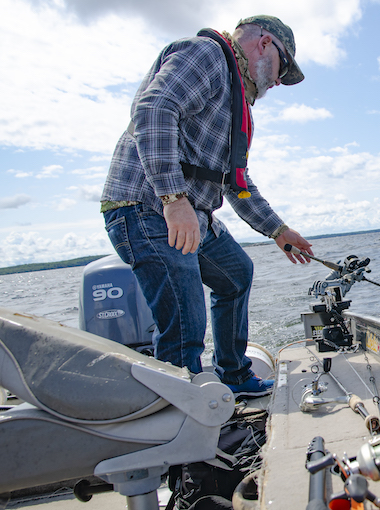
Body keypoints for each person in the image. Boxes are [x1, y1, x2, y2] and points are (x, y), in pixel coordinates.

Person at [100, 15, 314, 396]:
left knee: (236, 273)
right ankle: (181, 417)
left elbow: (238, 184)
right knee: (185, 321)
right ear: (265, 44)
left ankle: (233, 375)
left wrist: (278, 230)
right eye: (284, 67)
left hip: (189, 213)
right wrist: (173, 197)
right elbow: (154, 110)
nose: (280, 81)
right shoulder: (207, 56)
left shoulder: (237, 104)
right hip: (146, 205)